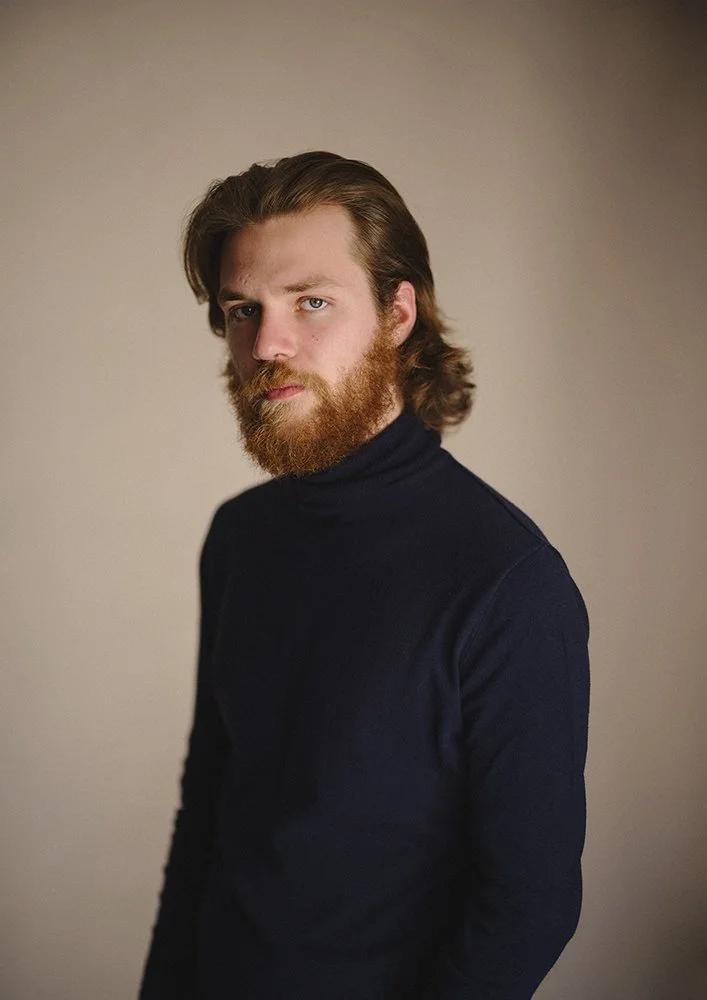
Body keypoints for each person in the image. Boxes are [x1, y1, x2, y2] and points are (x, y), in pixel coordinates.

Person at [138, 151, 590, 999]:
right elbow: (207, 811)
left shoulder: (507, 579)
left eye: (311, 301)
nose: (267, 344)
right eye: (243, 310)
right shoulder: (240, 538)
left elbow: (529, 903)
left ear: (396, 313)